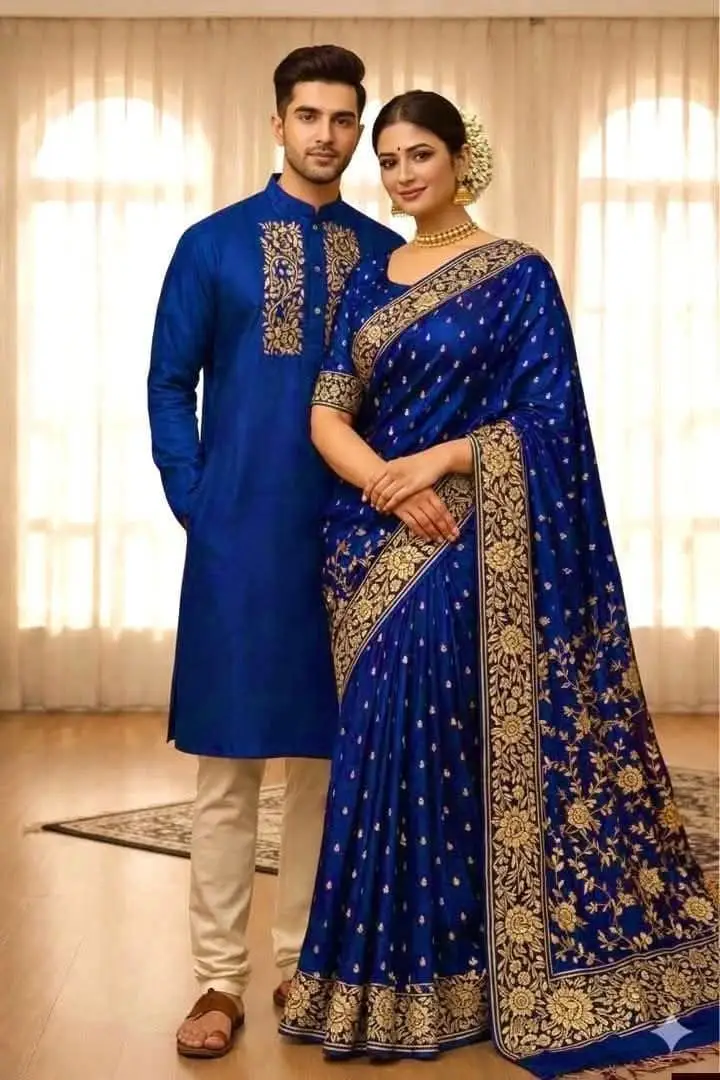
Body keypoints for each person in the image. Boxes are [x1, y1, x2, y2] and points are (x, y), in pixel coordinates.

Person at [279, 90, 719, 1074]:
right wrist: (390, 488)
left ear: (459, 156)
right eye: (388, 159)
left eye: (419, 154)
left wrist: (440, 461)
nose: (402, 174)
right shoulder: (369, 280)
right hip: (370, 542)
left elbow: (552, 420)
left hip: (474, 537)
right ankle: (373, 982)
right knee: (377, 751)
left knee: (442, 746)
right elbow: (327, 413)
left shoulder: (518, 273)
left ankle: (468, 972)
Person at [147, 45, 402, 1060]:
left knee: (324, 766)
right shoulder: (211, 245)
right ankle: (219, 979)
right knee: (228, 766)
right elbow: (169, 383)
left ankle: (303, 963)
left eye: (342, 119)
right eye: (309, 115)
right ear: (277, 123)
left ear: (358, 128)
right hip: (239, 538)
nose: (325, 135)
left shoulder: (384, 255)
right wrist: (197, 501)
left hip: (350, 541)